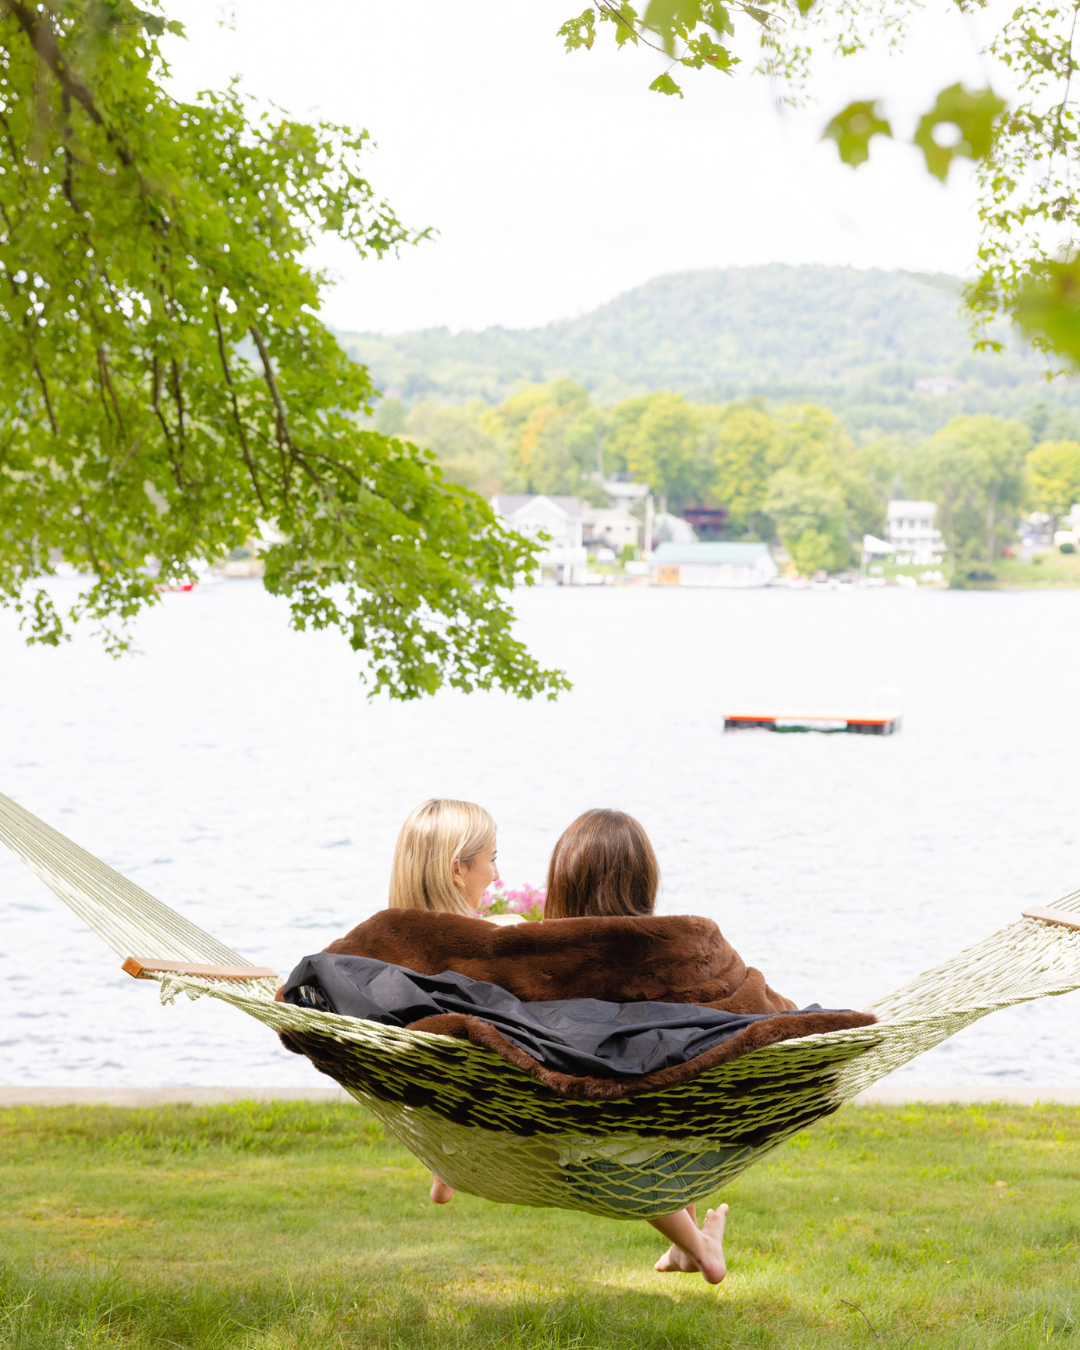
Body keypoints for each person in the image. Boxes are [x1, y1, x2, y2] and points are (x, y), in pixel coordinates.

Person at [544, 807, 728, 1286]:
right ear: (644, 881)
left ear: (563, 882)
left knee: (643, 1105)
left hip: (584, 1152)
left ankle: (690, 1251)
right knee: (674, 1072)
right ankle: (699, 1249)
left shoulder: (541, 964)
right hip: (670, 1141)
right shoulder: (677, 955)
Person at [386, 797, 518, 1204]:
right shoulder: (496, 941)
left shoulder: (383, 957)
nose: (497, 875)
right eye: (490, 859)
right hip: (505, 1091)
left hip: (438, 1096)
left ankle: (445, 1158)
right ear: (457, 869)